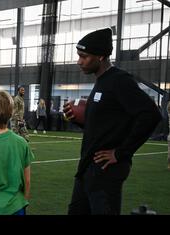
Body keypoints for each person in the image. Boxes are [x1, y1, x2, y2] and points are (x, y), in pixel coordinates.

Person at [65, 28, 161, 215]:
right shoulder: (100, 82)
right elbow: (103, 126)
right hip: (88, 168)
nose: (79, 61)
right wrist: (77, 119)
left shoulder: (119, 80)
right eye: (78, 56)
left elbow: (151, 114)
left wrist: (121, 152)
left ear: (100, 56)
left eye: (84, 56)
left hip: (106, 171)